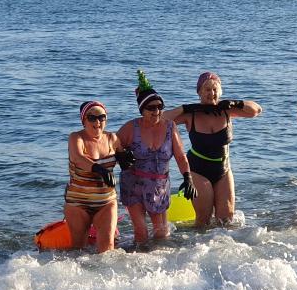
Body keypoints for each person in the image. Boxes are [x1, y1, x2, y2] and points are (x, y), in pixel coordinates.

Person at [162, 71, 262, 227]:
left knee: (226, 220)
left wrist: (237, 103)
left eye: (215, 89)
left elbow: (256, 110)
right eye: (207, 90)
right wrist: (185, 108)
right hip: (198, 170)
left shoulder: (227, 111)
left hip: (223, 169)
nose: (211, 93)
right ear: (199, 92)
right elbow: (161, 119)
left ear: (220, 92)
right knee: (203, 220)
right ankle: (196, 249)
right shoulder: (191, 115)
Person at [117, 70, 196, 243]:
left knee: (161, 233)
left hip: (159, 186)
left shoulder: (170, 127)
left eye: (160, 107)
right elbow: (111, 144)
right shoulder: (131, 128)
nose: (157, 111)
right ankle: (135, 266)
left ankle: (160, 264)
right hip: (134, 184)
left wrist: (188, 177)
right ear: (141, 109)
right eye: (151, 108)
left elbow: (181, 156)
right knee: (141, 232)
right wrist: (120, 154)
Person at [64, 100, 130, 253]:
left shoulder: (112, 139)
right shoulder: (76, 138)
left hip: (106, 201)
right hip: (78, 202)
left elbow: (125, 160)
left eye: (101, 117)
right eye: (91, 118)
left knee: (107, 248)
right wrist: (99, 169)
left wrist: (126, 158)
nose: (97, 121)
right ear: (83, 120)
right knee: (78, 250)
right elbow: (78, 158)